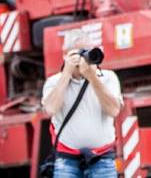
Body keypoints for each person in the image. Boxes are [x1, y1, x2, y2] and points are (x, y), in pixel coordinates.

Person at [42, 29, 122, 177]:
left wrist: (93, 77)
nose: (83, 58)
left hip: (102, 158)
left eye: (86, 52)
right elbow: (50, 109)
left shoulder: (107, 78)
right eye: (77, 53)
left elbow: (114, 111)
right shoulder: (54, 82)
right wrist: (66, 74)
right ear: (65, 55)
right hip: (67, 160)